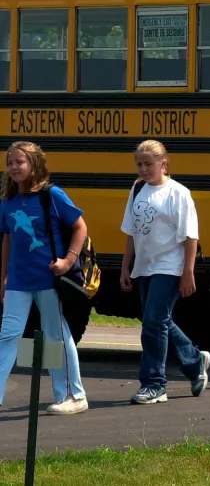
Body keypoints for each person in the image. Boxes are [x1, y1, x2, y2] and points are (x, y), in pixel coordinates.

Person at [0, 141, 89, 415]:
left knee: (56, 334)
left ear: (34, 164)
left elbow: (79, 227)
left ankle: (74, 395)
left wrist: (68, 261)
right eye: (10, 163)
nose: (14, 167)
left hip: (49, 278)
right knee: (8, 335)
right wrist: (3, 276)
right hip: (18, 280)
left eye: (20, 162)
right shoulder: (8, 200)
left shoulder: (52, 195)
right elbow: (7, 239)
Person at [120, 140, 210, 405]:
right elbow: (131, 233)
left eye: (149, 164)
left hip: (169, 266)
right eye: (139, 164)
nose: (144, 169)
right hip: (145, 266)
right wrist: (126, 267)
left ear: (164, 164)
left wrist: (187, 272)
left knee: (153, 322)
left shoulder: (177, 193)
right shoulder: (137, 190)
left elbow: (190, 236)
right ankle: (195, 361)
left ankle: (154, 383)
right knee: (158, 321)